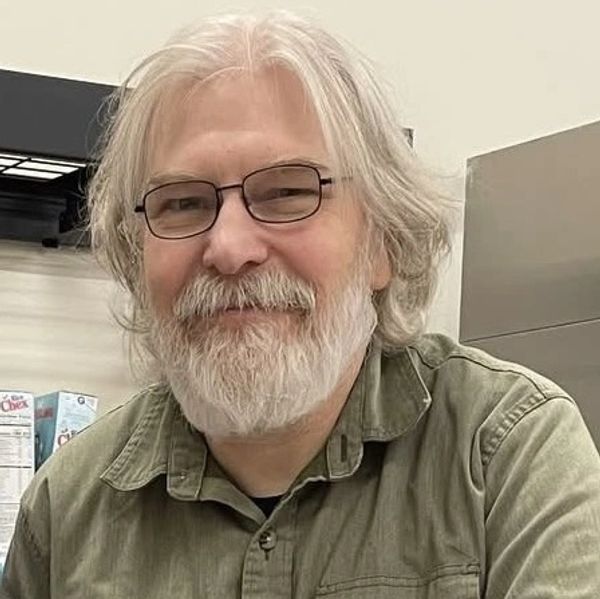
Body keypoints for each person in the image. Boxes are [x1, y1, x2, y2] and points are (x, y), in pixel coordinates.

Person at [2, 10, 599, 599]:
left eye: (288, 191)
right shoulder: (65, 509)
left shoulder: (505, 455)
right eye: (182, 203)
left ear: (383, 241)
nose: (228, 248)